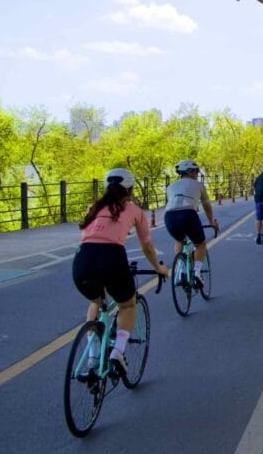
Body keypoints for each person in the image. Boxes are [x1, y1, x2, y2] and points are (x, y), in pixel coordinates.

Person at [72, 168, 168, 376]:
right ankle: (118, 351)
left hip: (82, 259)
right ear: (130, 190)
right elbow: (147, 246)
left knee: (96, 302)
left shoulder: (94, 207)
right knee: (128, 303)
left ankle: (93, 353)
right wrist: (158, 268)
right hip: (112, 257)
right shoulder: (134, 210)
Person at [165, 159, 219, 290]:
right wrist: (211, 221)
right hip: (188, 214)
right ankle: (197, 273)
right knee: (200, 245)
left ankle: (181, 268)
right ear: (189, 171)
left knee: (179, 240)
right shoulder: (199, 185)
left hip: (169, 216)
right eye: (195, 171)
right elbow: (206, 205)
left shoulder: (170, 187)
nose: (197, 173)